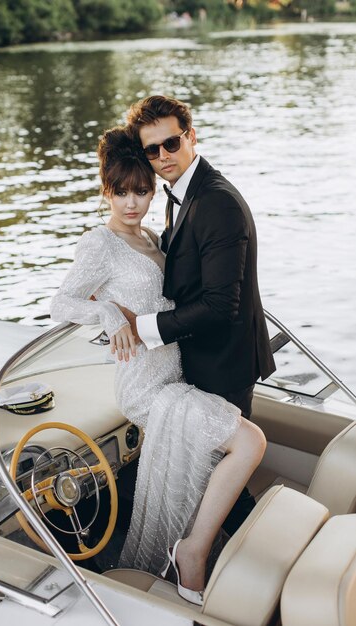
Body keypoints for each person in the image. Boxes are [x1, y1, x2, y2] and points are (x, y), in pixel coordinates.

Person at [50, 126, 266, 605]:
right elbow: (60, 303)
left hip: (175, 374)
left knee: (222, 459)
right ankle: (192, 552)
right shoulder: (99, 244)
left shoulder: (151, 235)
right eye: (122, 192)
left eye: (142, 190)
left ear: (153, 187)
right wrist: (107, 314)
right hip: (145, 385)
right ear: (107, 191)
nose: (132, 203)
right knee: (249, 442)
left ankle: (210, 556)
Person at [115, 95, 276, 535]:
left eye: (171, 143)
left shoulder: (216, 202)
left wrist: (140, 328)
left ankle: (258, 555)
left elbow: (220, 306)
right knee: (217, 473)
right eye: (153, 150)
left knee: (223, 476)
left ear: (191, 137)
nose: (163, 156)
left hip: (223, 362)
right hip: (209, 357)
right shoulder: (182, 193)